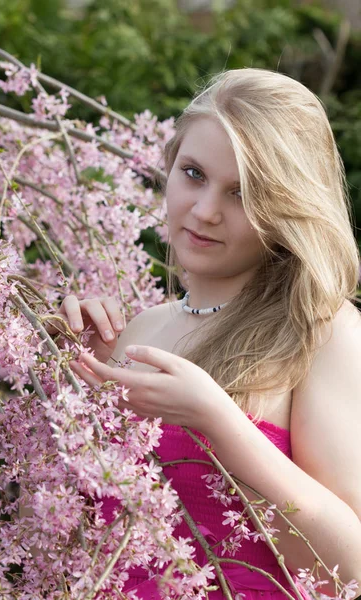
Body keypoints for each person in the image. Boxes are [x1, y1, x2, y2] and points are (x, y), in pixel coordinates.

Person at [54, 67, 361, 599]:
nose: (205, 211)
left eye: (242, 193)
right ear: (169, 165)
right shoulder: (140, 329)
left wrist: (219, 421)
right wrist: (77, 372)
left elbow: (352, 566)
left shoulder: (320, 328)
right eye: (193, 173)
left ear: (287, 206)